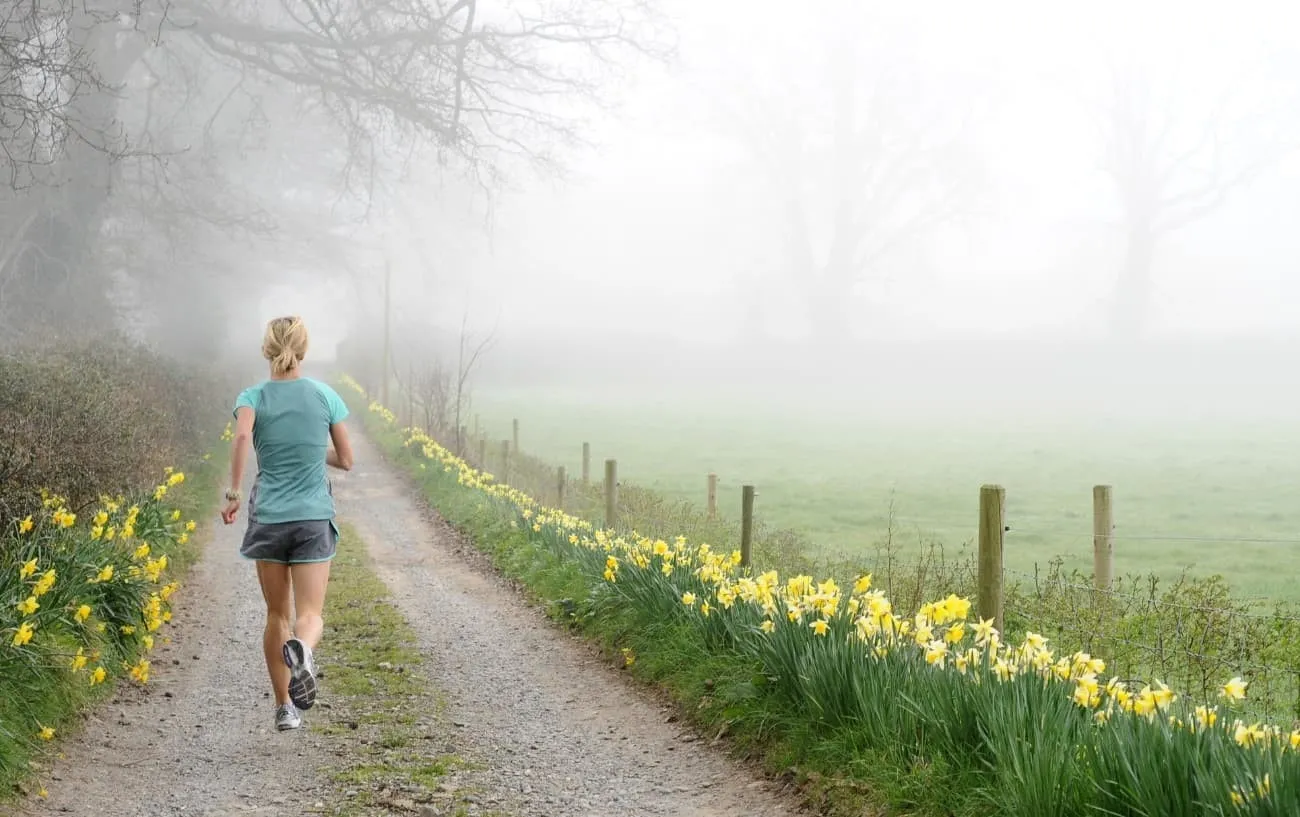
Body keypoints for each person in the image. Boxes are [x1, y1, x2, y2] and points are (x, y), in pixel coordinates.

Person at [220, 315, 354, 732]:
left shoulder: (253, 396)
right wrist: (315, 451)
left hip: (270, 519)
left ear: (267, 349)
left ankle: (285, 708)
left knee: (277, 614)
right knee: (310, 614)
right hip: (313, 518)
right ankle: (304, 650)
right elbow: (346, 459)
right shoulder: (324, 395)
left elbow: (243, 438)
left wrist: (235, 492)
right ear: (304, 349)